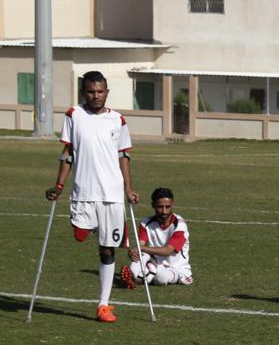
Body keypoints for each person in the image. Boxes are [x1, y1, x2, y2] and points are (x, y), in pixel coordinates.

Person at [45, 70, 138, 323]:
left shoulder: (118, 120)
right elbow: (68, 152)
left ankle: (103, 305)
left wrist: (128, 188)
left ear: (107, 92)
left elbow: (124, 155)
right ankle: (84, 224)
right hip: (84, 192)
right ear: (83, 92)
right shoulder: (74, 115)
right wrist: (59, 186)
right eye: (91, 91)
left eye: (100, 91)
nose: (96, 96)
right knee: (80, 235)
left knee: (108, 250)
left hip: (112, 194)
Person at [120, 187, 193, 288]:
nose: (164, 211)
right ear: (153, 205)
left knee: (161, 279)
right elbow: (140, 245)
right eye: (160, 207)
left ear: (173, 204)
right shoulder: (145, 223)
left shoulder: (180, 226)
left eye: (167, 207)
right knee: (138, 258)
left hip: (177, 268)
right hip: (155, 263)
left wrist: (140, 248)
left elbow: (167, 251)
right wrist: (133, 252)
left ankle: (142, 276)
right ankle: (138, 276)